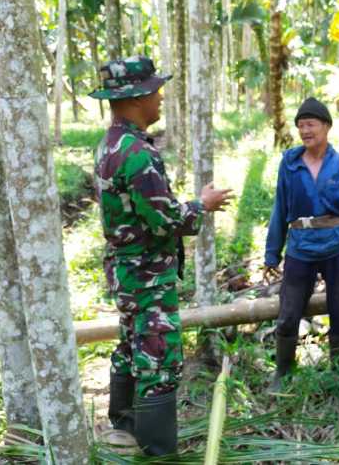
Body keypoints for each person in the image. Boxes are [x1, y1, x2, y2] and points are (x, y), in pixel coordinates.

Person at [90, 55, 233, 455]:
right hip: (147, 274)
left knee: (130, 343)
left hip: (125, 270)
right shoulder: (137, 152)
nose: (161, 99)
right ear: (137, 97)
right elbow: (165, 221)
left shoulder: (108, 143)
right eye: (156, 92)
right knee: (157, 356)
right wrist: (201, 205)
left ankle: (125, 429)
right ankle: (157, 450)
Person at [263, 97, 339, 392]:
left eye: (310, 124)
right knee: (287, 315)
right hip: (300, 248)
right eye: (300, 126)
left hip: (338, 247)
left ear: (326, 126)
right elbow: (279, 207)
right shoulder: (290, 164)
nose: (305, 130)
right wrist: (272, 253)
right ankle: (283, 373)